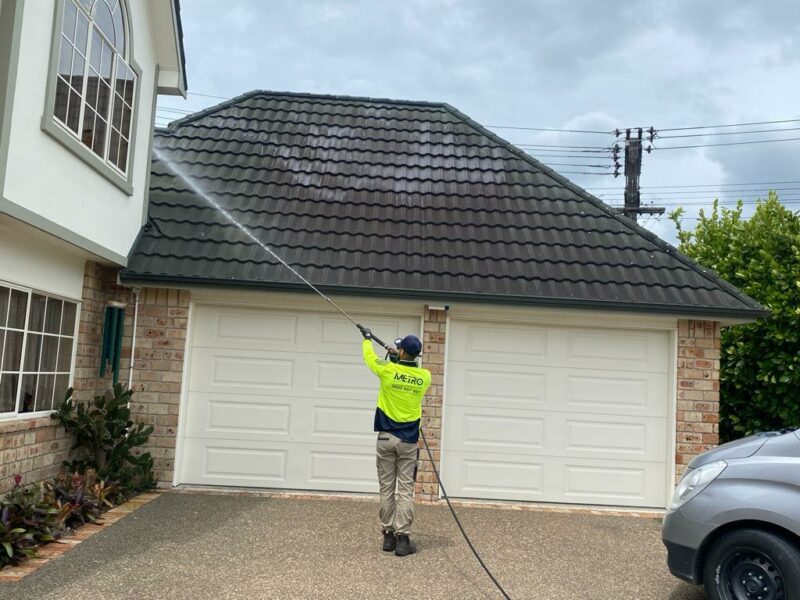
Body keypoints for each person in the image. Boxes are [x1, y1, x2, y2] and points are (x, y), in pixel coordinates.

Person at [358, 325, 431, 557]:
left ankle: (388, 536)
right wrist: (397, 355)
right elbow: (408, 371)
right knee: (406, 490)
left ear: (401, 353)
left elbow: (370, 359)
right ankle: (403, 539)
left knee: (387, 488)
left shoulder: (387, 370)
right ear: (417, 355)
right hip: (409, 442)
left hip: (386, 439)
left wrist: (368, 339)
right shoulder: (424, 377)